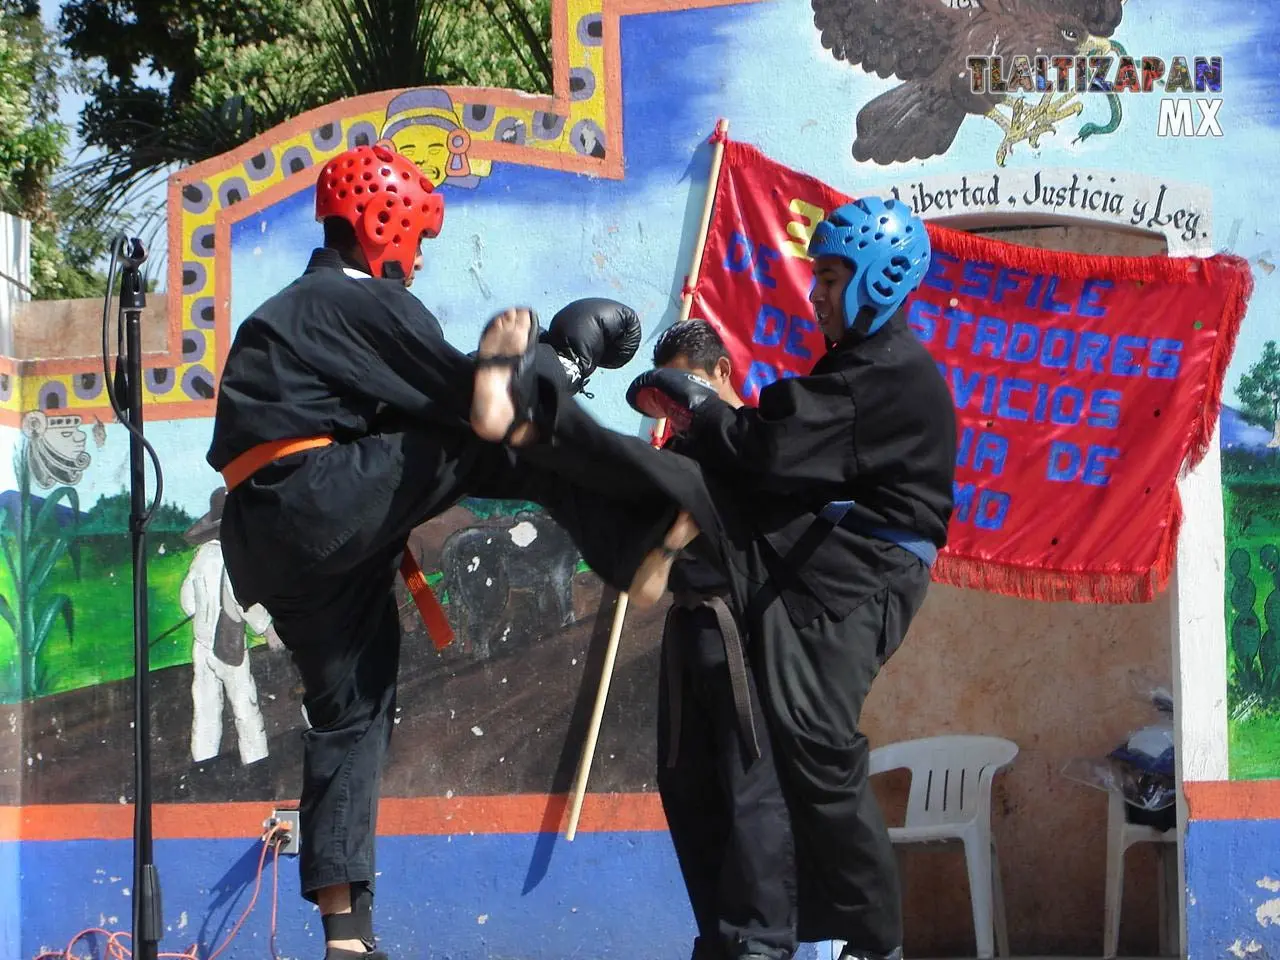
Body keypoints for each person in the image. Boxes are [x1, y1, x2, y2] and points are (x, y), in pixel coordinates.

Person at [206, 142, 709, 960]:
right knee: (499, 436)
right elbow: (470, 405)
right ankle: (651, 519)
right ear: (384, 223)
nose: (420, 255)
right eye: (418, 237)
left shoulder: (288, 312)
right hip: (317, 497)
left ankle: (347, 937)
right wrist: (559, 358)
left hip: (273, 540)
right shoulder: (357, 301)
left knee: (353, 706)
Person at [625, 197, 958, 960]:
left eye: (836, 278)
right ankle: (779, 937)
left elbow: (766, 448)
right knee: (753, 752)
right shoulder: (852, 370)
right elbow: (769, 453)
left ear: (881, 280)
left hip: (863, 569)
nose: (818, 294)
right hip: (836, 564)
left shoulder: (883, 375)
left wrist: (700, 412)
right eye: (821, 276)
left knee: (816, 740)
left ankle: (876, 944)